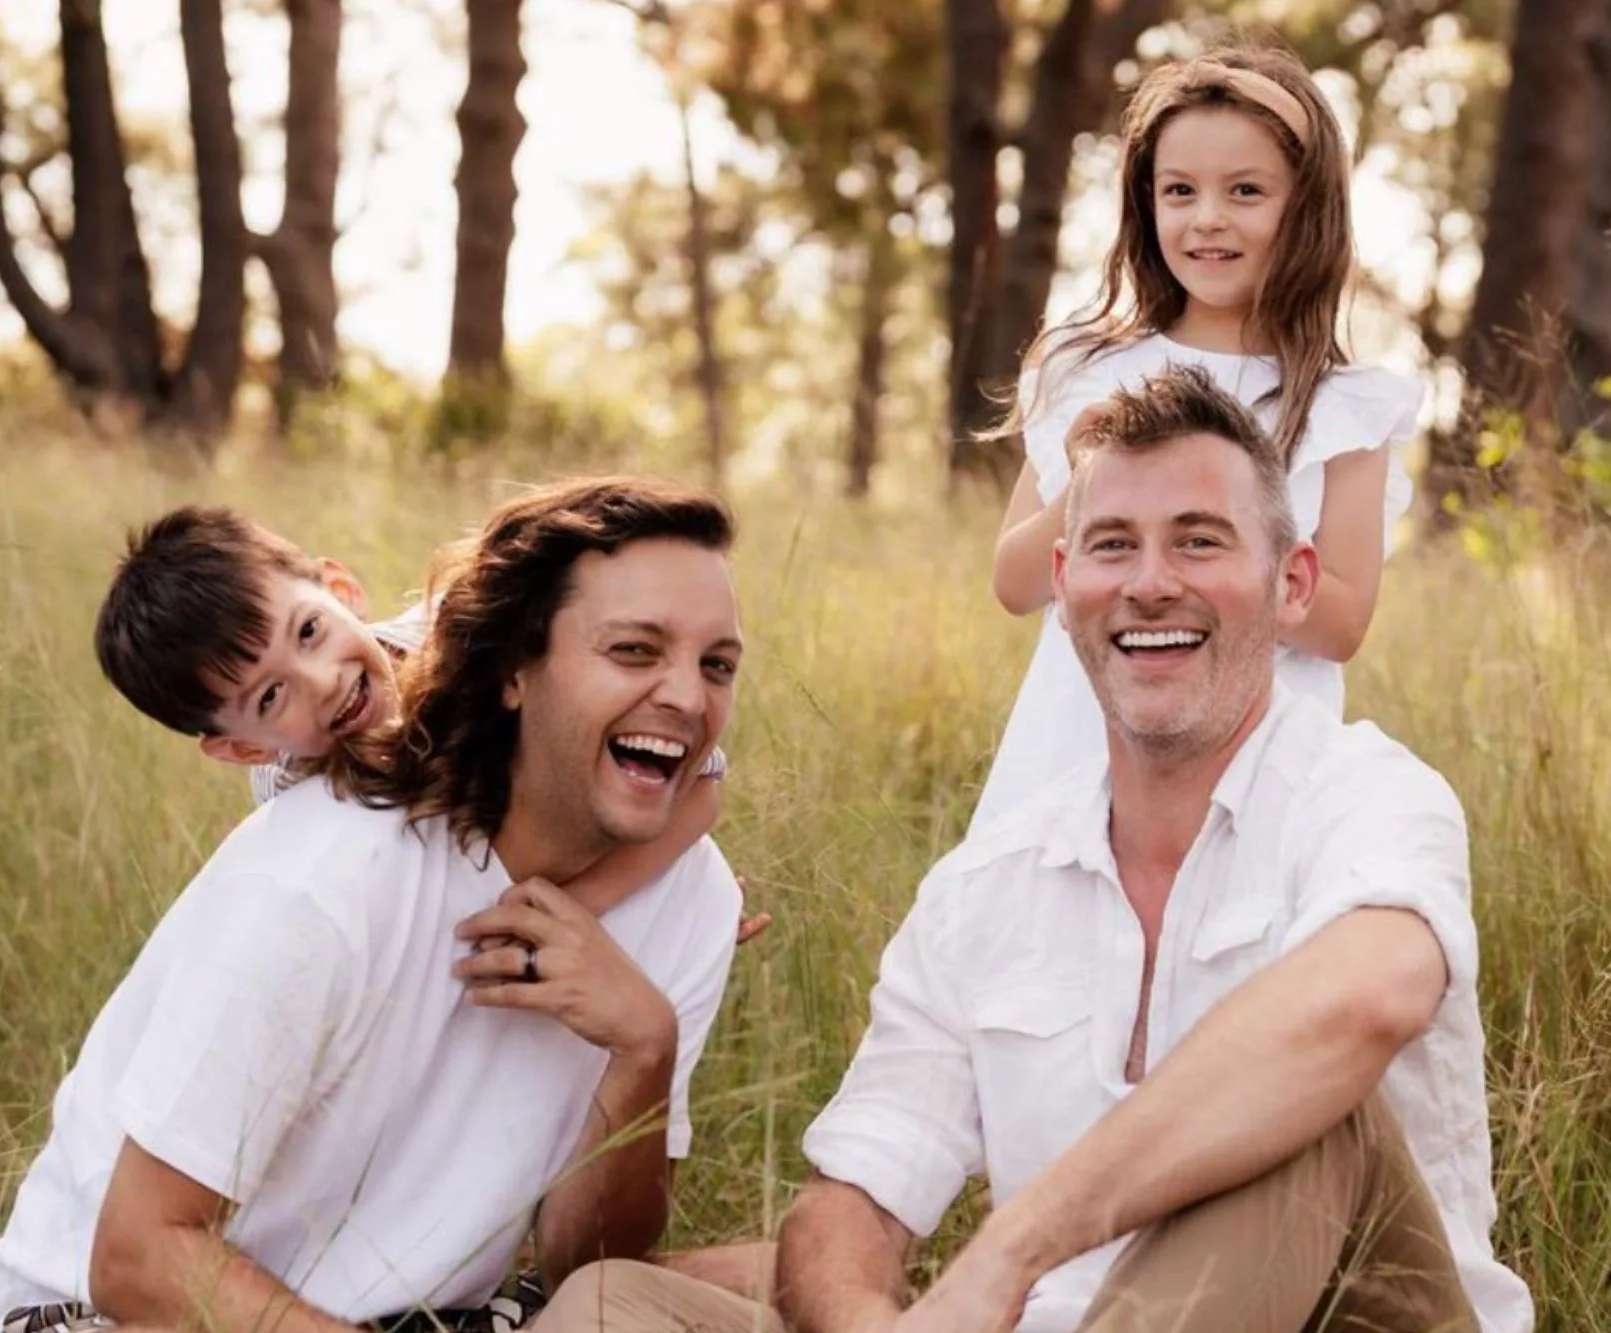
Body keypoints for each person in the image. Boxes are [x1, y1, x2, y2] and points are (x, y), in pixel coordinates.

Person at [522, 366, 1532, 1333]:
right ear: (1062, 582)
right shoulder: (986, 885)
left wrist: (1009, 1251)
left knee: (1302, 1108)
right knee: (613, 1304)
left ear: (1293, 582)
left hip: (1337, 1315)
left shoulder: (1366, 792)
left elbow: (1364, 1001)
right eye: (1111, 545)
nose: (1149, 583)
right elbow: (852, 1204)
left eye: (1198, 541)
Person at [0, 478, 752, 1333]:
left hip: (418, 1315)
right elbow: (136, 1258)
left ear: (339, 591)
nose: (687, 697)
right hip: (115, 1315)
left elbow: (583, 1263)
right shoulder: (327, 863)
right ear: (514, 668)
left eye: (717, 664)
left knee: (787, 1279)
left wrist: (644, 1045)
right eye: (634, 651)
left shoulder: (695, 900)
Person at [973, 43, 1426, 832]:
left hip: (1254, 764)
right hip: (1083, 743)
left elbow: (1344, 623)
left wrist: (1213, 551)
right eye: (1179, 190)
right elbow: (1016, 582)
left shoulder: (1344, 408)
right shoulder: (1087, 367)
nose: (1207, 218)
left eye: (1246, 191)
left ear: (1306, 208)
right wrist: (1088, 489)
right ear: (1146, 201)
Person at [90, 505, 766, 943]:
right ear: (243, 747)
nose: (322, 680)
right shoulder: (296, 800)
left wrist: (617, 908)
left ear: (341, 590)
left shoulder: (464, 640)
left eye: (310, 631)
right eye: (270, 697)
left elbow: (701, 785)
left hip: (608, 876)